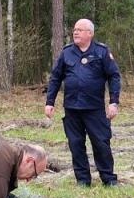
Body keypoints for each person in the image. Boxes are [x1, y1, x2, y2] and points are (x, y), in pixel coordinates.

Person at [45, 19, 122, 187]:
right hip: (72, 108)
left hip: (94, 109)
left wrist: (113, 102)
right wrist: (49, 102)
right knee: (76, 144)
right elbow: (56, 77)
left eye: (80, 30)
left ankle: (108, 179)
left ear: (90, 33)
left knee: (101, 143)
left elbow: (114, 76)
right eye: (75, 30)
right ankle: (82, 180)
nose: (76, 32)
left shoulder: (101, 52)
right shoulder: (67, 53)